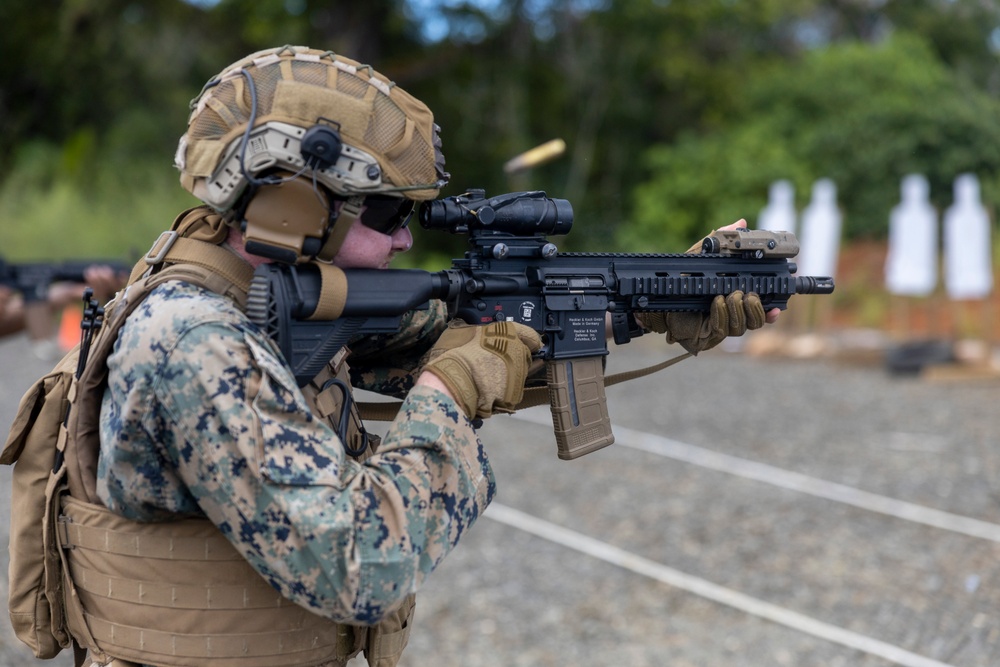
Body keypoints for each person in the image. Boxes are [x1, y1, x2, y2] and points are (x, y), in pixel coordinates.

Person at [55, 46, 774, 667]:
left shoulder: (253, 282)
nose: (404, 242)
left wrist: (653, 305)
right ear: (296, 206)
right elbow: (363, 564)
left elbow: (457, 331)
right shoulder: (195, 339)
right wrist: (449, 393)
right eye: (389, 215)